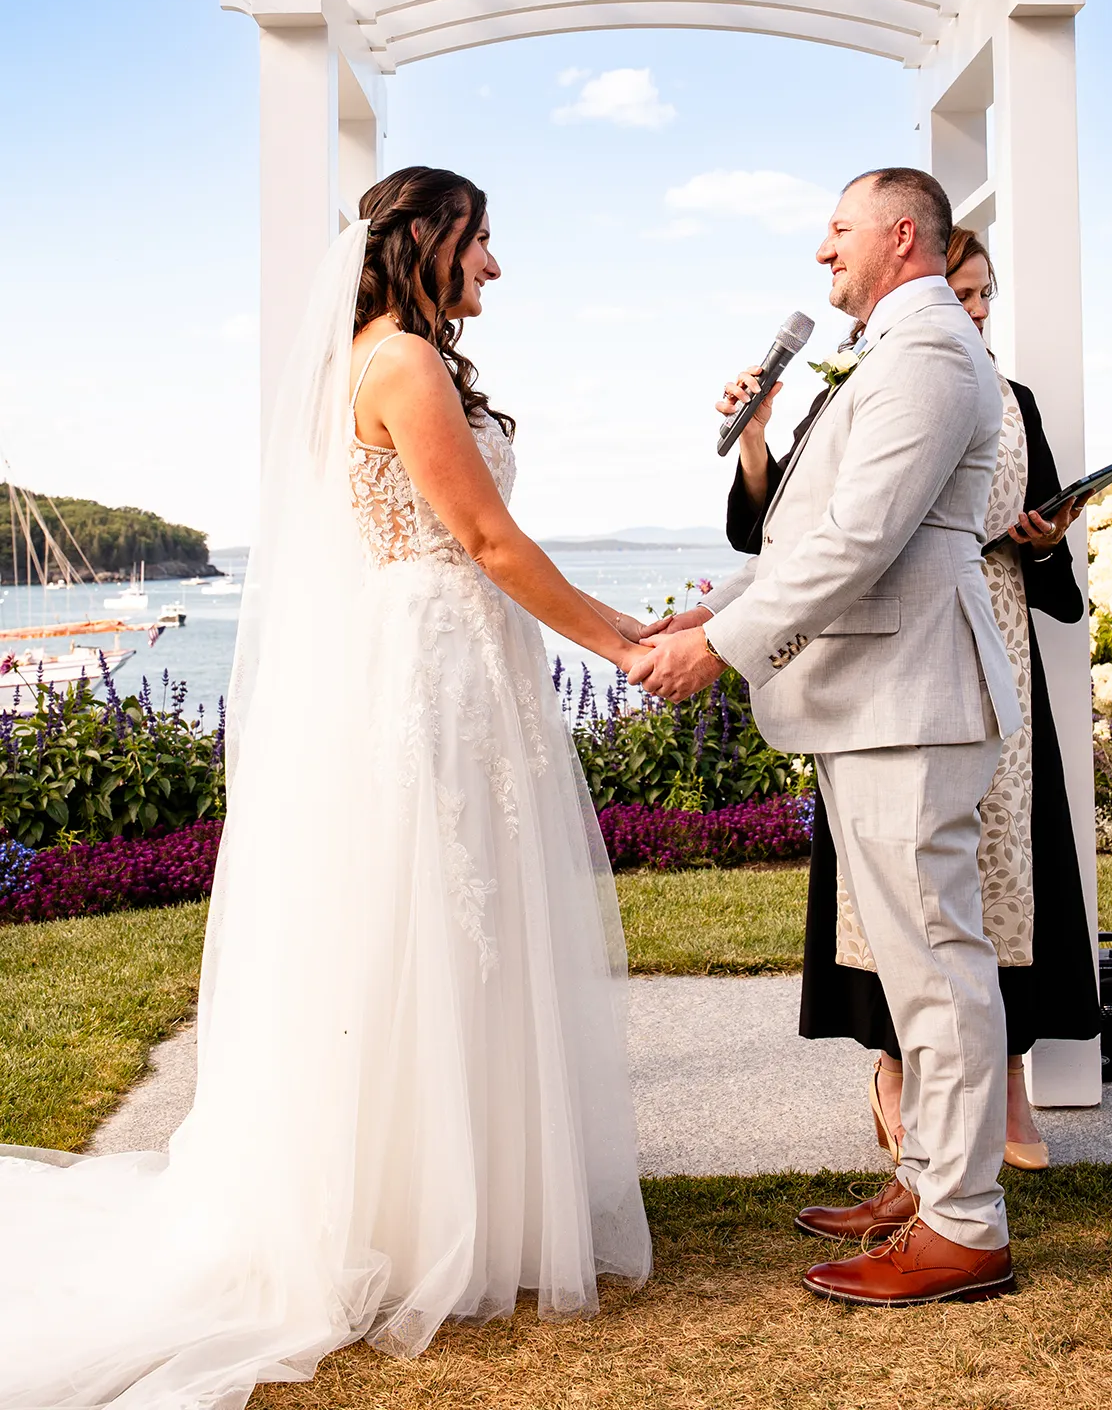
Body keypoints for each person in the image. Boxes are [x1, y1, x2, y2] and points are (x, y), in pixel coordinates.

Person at [0, 167, 651, 1408]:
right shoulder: (399, 363)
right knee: (433, 913)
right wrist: (622, 644)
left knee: (459, 916)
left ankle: (465, 1200)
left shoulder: (398, 356)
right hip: (432, 661)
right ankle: (412, 1218)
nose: (493, 269)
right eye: (479, 245)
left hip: (454, 655)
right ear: (424, 245)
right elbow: (487, 541)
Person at [634, 167, 1022, 1309]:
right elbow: (825, 531)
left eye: (837, 231)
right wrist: (723, 605)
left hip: (912, 697)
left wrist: (724, 647)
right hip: (879, 695)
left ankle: (964, 1224)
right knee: (909, 958)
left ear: (901, 237)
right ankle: (927, 1179)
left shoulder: (931, 354)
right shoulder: (894, 349)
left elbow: (860, 540)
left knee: (937, 962)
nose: (821, 252)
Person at [719, 227, 1100, 1173]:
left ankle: (1002, 1076)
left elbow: (1052, 564)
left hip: (992, 639)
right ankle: (897, 1073)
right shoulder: (858, 389)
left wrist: (1041, 538)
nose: (973, 311)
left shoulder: (1013, 402)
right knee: (897, 872)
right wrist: (759, 438)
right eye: (961, 292)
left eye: (985, 296)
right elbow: (785, 534)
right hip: (889, 667)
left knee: (1003, 866)